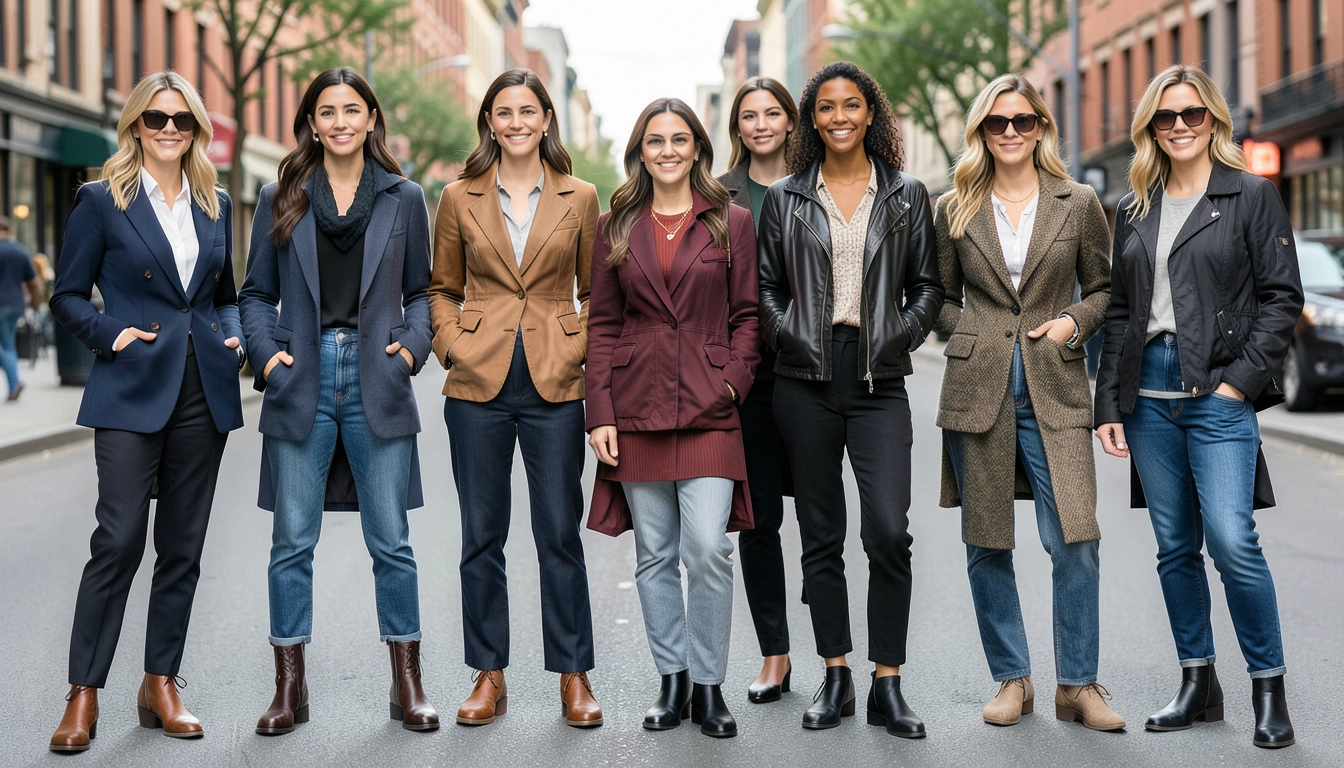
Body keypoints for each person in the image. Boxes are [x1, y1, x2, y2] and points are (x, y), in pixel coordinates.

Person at [1095, 64, 1304, 749]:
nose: (1180, 126)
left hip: (1217, 391)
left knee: (1233, 541)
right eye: (1166, 117)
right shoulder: (1135, 205)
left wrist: (1239, 384)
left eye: (1193, 114)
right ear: (1150, 127)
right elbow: (1121, 312)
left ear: (1213, 119)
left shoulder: (1249, 194)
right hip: (1147, 397)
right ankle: (1198, 681)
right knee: (1175, 547)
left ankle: (1267, 687)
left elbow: (1282, 299)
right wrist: (1109, 405)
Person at [47, 71, 244, 752]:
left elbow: (224, 293)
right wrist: (111, 334)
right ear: (135, 125)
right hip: (131, 383)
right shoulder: (101, 201)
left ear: (196, 129)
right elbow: (68, 296)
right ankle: (83, 694)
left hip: (203, 389)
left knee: (182, 549)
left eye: (181, 120)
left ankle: (160, 682)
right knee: (119, 539)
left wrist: (234, 331)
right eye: (155, 119)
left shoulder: (215, 202)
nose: (168, 130)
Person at [240, 67, 439, 734]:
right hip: (303, 373)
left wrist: (412, 347)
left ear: (371, 118)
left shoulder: (404, 196)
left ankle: (406, 682)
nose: (341, 121)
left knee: (392, 541)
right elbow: (253, 294)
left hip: (378, 374)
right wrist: (267, 356)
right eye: (328, 111)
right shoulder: (280, 194)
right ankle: (288, 688)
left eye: (353, 109)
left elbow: (421, 292)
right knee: (292, 540)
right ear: (312, 122)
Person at [756, 61, 942, 738]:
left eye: (851, 105)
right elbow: (766, 287)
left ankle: (886, 684)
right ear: (812, 119)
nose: (838, 116)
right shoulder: (785, 197)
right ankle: (835, 672)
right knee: (821, 536)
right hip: (803, 380)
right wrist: (788, 335)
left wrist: (900, 332)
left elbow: (928, 285)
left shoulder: (906, 194)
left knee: (889, 531)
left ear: (871, 115)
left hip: (877, 380)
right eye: (825, 107)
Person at [933, 74, 1123, 731]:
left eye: (1023, 121)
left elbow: (1104, 288)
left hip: (1057, 385)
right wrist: (971, 333)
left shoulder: (1079, 202)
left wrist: (1074, 321)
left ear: (1041, 126)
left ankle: (1079, 684)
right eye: (997, 123)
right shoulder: (954, 205)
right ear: (981, 132)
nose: (1010, 132)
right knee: (987, 542)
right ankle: (1013, 678)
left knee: (1076, 536)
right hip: (978, 386)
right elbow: (943, 296)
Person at [429, 69, 603, 728]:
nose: (516, 121)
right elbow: (440, 287)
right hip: (478, 382)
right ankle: (488, 674)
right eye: (504, 112)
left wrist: (574, 343)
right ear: (490, 121)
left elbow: (597, 291)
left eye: (527, 110)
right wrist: (452, 346)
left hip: (555, 380)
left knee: (559, 532)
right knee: (482, 536)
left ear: (546, 118)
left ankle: (574, 675)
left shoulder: (581, 196)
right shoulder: (457, 196)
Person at [585, 97, 759, 739]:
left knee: (709, 548)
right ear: (640, 150)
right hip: (636, 405)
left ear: (696, 149)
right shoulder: (614, 224)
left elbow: (748, 315)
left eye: (678, 139)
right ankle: (673, 679)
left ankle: (710, 685)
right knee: (655, 554)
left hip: (712, 406)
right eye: (654, 140)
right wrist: (598, 412)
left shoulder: (730, 221)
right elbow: (602, 323)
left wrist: (734, 384)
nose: (666, 150)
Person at [716, 76, 799, 704]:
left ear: (791, 121)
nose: (762, 123)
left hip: (821, 372)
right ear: (737, 126)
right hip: (752, 380)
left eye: (773, 113)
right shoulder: (718, 198)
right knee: (758, 520)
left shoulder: (824, 185)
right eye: (750, 115)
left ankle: (838, 654)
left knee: (826, 522)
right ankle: (775, 653)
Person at [0, 215, 42, 401]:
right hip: (16, 304)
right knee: (8, 344)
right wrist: (35, 301)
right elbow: (33, 282)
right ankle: (14, 382)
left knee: (6, 345)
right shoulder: (21, 251)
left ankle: (14, 380)